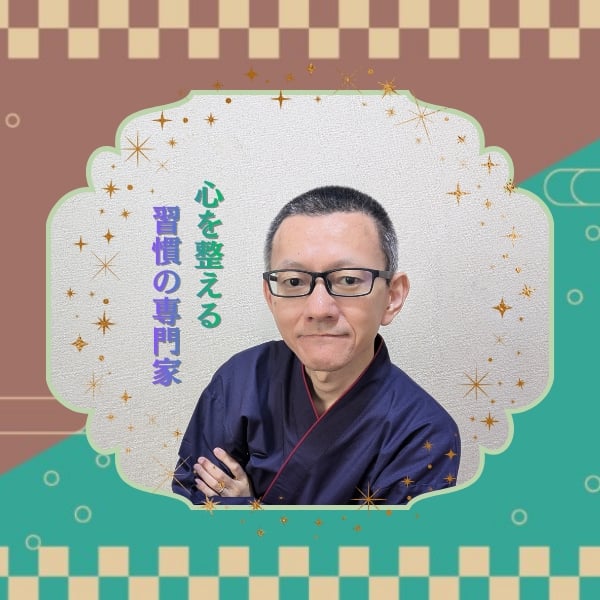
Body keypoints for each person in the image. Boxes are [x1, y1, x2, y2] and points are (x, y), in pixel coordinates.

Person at [173, 186, 461, 505]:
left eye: (349, 280)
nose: (319, 309)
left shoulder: (423, 433)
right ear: (270, 296)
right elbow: (188, 514)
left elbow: (389, 544)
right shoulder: (241, 380)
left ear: (392, 297)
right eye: (294, 281)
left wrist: (247, 509)